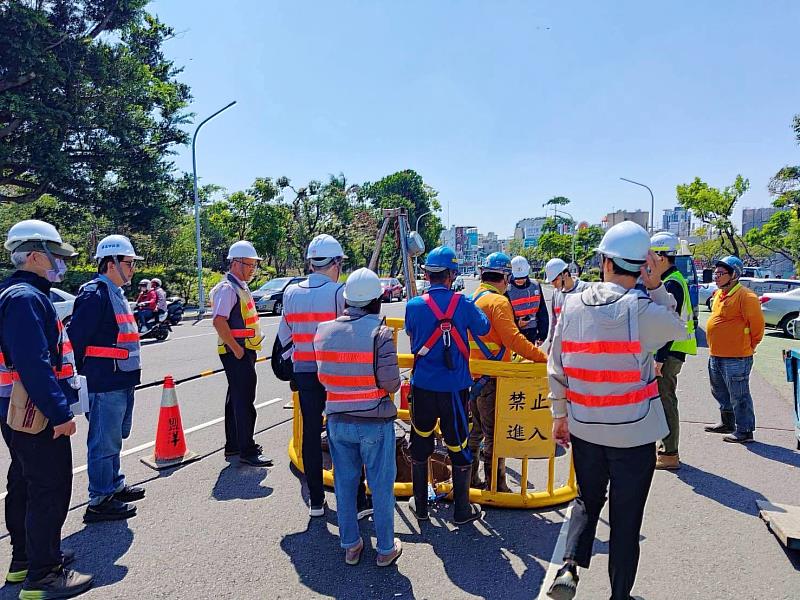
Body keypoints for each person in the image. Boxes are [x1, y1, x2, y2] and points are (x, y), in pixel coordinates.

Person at [546, 221, 689, 600]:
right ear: (642, 265)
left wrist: (560, 415)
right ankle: (619, 596)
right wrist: (656, 285)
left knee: (587, 500)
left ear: (605, 261)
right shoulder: (641, 311)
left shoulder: (572, 305)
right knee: (626, 522)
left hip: (585, 427)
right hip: (634, 433)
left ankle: (570, 568)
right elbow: (678, 326)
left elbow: (556, 365)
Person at [0, 220, 93, 598]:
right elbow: (33, 362)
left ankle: (27, 560)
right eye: (56, 256)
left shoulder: (17, 293)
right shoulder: (25, 297)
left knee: (24, 481)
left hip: (16, 406)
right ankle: (44, 575)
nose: (61, 264)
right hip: (33, 408)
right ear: (35, 256)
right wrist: (60, 413)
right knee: (49, 486)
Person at [314, 268, 402, 567]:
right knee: (380, 485)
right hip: (374, 423)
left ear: (347, 300)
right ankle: (386, 549)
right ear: (377, 301)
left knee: (345, 484)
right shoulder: (380, 332)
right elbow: (391, 383)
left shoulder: (323, 331)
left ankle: (351, 545)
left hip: (338, 421)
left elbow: (323, 375)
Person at [279, 234, 370, 518]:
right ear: (336, 262)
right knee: (341, 434)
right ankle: (356, 501)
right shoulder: (338, 292)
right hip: (334, 375)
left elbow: (284, 338)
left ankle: (316, 502)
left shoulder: (291, 292)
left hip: (303, 372)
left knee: (309, 435)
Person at [405, 246, 489, 524]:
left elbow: (411, 332)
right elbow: (484, 328)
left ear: (427, 275)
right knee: (458, 443)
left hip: (423, 387)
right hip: (454, 388)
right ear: (452, 275)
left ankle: (421, 508)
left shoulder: (414, 305)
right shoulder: (463, 304)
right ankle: (462, 510)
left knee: (420, 440)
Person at [68, 234, 145, 522]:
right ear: (111, 263)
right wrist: (74, 381)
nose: (133, 269)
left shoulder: (116, 293)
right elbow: (75, 340)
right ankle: (100, 499)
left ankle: (113, 484)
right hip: (104, 382)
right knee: (103, 440)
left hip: (121, 379)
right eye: (129, 263)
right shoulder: (94, 294)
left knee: (114, 438)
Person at [467, 252, 548, 492]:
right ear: (505, 277)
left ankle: (470, 479)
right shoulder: (498, 302)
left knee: (477, 429)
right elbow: (513, 339)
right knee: (495, 433)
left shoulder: (472, 299)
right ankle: (496, 485)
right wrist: (542, 358)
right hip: (492, 377)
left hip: (473, 375)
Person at [210, 241, 272, 467]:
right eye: (250, 265)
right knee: (245, 400)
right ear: (236, 263)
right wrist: (237, 350)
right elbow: (219, 321)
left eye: (254, 265)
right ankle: (247, 449)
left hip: (243, 350)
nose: (253, 269)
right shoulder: (228, 288)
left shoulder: (239, 286)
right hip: (237, 351)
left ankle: (234, 444)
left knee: (235, 399)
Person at [703, 255, 765, 443]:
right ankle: (728, 423)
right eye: (716, 273)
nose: (716, 276)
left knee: (739, 394)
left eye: (721, 273)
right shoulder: (719, 295)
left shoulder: (746, 297)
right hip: (716, 354)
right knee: (720, 391)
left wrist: (748, 346)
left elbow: (757, 327)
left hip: (737, 357)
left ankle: (745, 430)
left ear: (734, 275)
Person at [649, 232, 697, 469]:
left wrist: (659, 358)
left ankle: (669, 453)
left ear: (662, 256)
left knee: (666, 400)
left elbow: (668, 323)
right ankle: (664, 448)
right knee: (663, 399)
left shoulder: (671, 283)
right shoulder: (673, 279)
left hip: (669, 352)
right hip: (670, 350)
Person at [544, 257, 590, 344]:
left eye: (555, 280)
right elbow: (554, 320)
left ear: (565, 274)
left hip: (581, 345)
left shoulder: (584, 289)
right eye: (551, 282)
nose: (553, 284)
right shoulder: (556, 293)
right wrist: (552, 341)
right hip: (562, 345)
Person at [506, 255, 549, 346]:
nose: (520, 281)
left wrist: (542, 334)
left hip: (532, 333)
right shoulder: (507, 289)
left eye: (522, 278)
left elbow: (542, 312)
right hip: (514, 334)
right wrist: (517, 324)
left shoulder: (535, 286)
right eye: (517, 278)